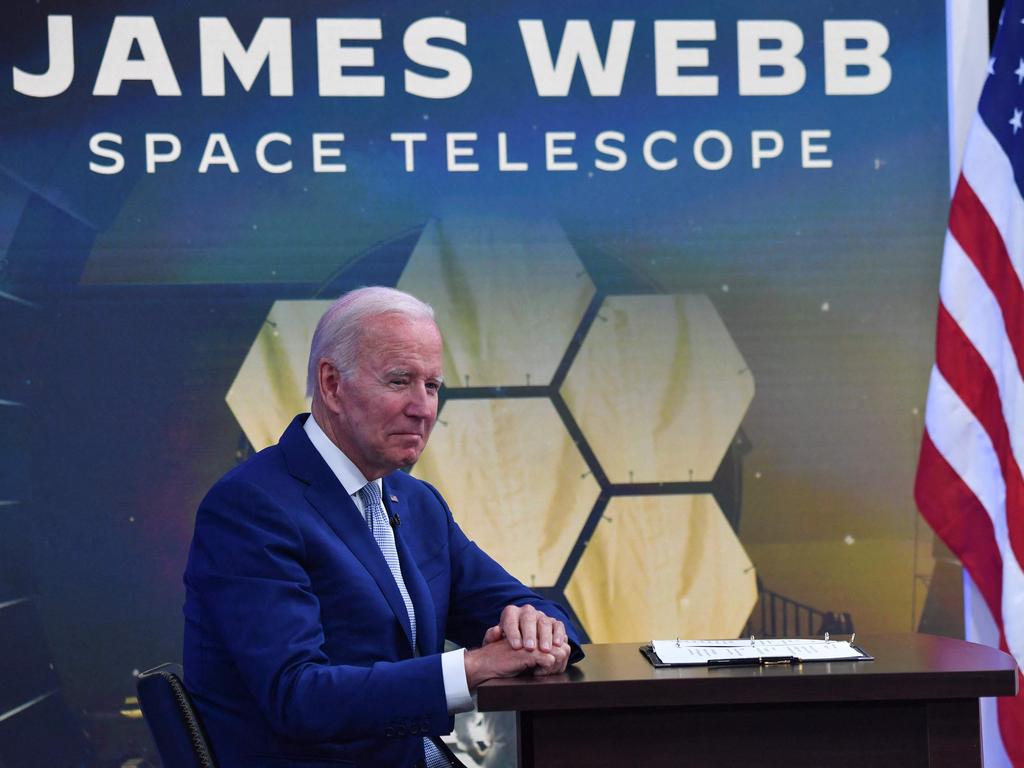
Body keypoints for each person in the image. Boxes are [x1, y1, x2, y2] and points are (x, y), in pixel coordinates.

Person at [183, 286, 583, 768]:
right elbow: (298, 697)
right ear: (331, 385)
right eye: (400, 381)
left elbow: (531, 607)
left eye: (432, 386)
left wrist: (541, 628)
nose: (423, 408)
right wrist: (472, 667)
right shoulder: (251, 507)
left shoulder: (418, 503)